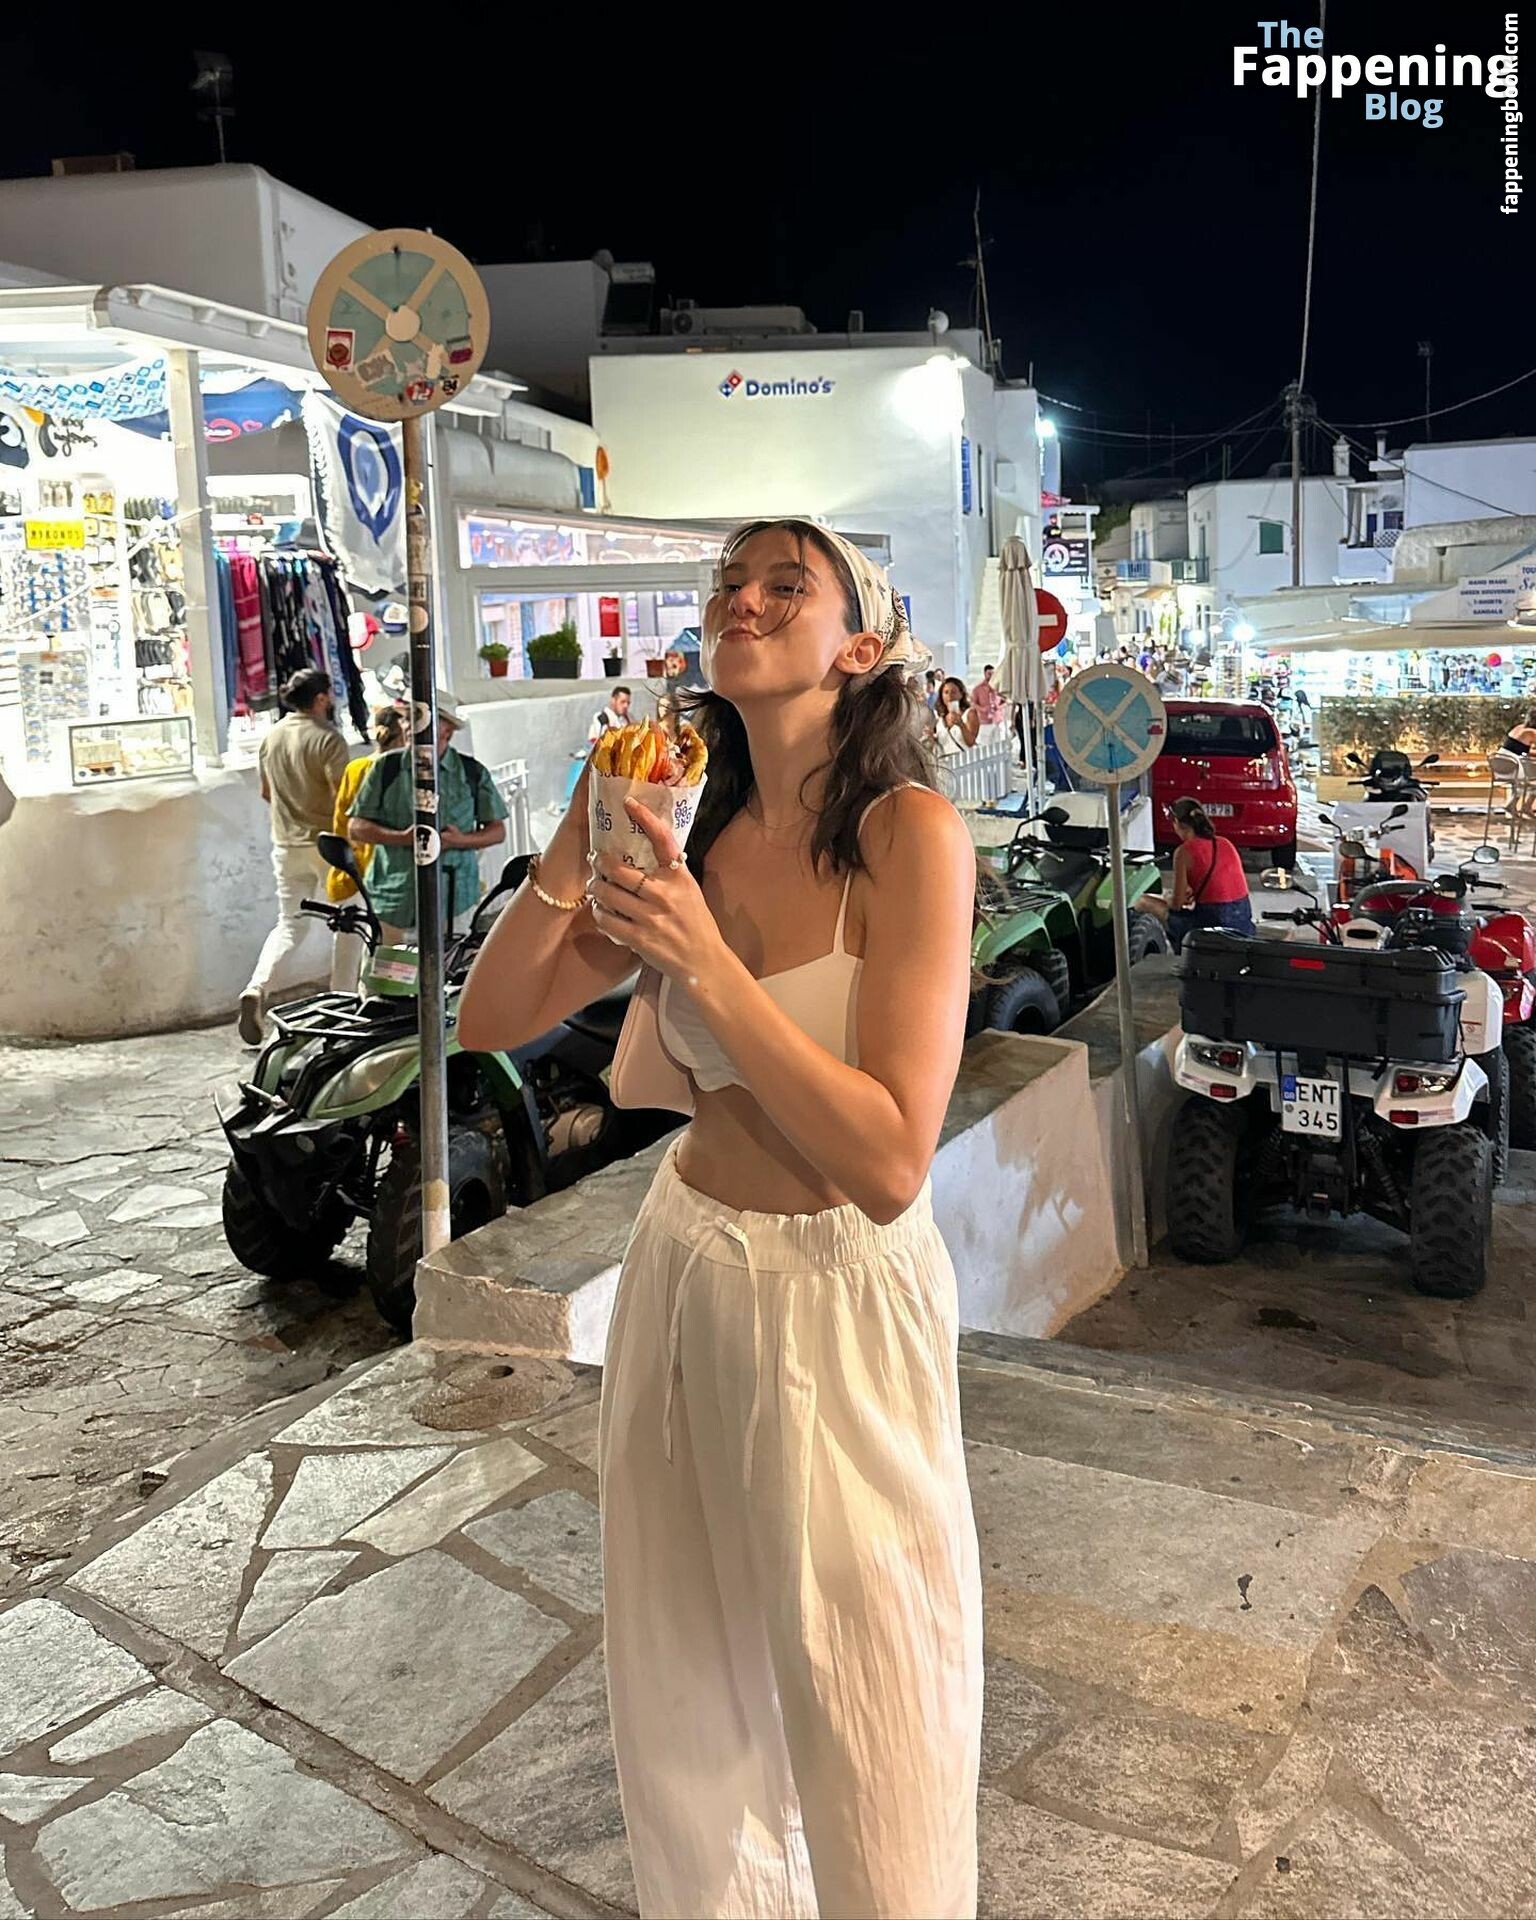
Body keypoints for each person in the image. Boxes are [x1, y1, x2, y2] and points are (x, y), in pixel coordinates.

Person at [458, 518, 982, 1918]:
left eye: (784, 585)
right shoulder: (685, 827)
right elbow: (489, 1017)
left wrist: (702, 958)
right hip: (685, 1264)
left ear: (858, 648)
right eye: (728, 584)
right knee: (684, 1696)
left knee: (876, 1697)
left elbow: (890, 1159)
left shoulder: (910, 837)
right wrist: (581, 838)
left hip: (843, 1293)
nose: (741, 601)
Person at [239, 667, 351, 1046]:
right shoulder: (328, 739)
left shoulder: (271, 737)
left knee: (290, 924)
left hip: (286, 845)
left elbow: (266, 793)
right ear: (320, 698)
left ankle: (258, 987)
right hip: (329, 846)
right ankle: (344, 1001)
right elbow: (343, 795)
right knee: (350, 923)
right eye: (329, 694)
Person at [348, 690, 508, 945]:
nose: (409, 727)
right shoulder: (385, 769)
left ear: (447, 730)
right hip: (394, 899)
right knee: (390, 968)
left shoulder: (471, 773)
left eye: (419, 719)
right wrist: (402, 838)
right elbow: (356, 827)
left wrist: (459, 840)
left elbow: (497, 831)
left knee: (452, 964)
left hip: (453, 899)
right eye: (406, 718)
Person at [327, 704, 408, 987]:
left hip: (356, 864)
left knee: (354, 939)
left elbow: (341, 819)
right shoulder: (398, 772)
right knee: (388, 941)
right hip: (390, 867)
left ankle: (346, 994)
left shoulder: (356, 768)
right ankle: (380, 995)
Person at [1163, 796, 1255, 952]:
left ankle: (1179, 955)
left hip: (1212, 924)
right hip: (1242, 922)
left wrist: (1167, 898)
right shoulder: (1225, 843)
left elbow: (1177, 904)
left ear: (1178, 823)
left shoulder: (1183, 852)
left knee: (1147, 904)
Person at [935, 674, 981, 752]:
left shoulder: (969, 714)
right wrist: (932, 738)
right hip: (947, 758)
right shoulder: (940, 720)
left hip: (965, 758)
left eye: (953, 692)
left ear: (961, 694)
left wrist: (961, 725)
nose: (950, 696)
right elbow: (943, 745)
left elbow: (971, 743)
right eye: (946, 692)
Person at [970, 661, 1005, 726]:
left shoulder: (999, 688)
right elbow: (973, 703)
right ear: (984, 674)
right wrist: (983, 709)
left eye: (993, 674)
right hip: (984, 721)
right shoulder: (977, 689)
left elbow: (1006, 701)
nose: (991, 676)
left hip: (998, 720)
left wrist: (999, 707)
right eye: (989, 674)